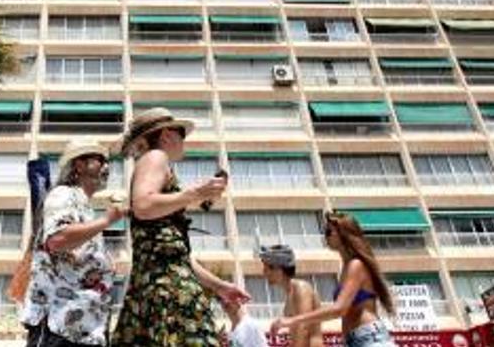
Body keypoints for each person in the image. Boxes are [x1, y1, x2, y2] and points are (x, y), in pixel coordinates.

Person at [110, 108, 250, 347]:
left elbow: (176, 255)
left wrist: (220, 287)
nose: (184, 141)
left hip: (157, 284)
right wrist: (195, 193)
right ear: (166, 136)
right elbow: (143, 204)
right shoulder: (156, 156)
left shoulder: (153, 163)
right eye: (182, 134)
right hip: (168, 286)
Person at [21, 139, 126, 347]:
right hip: (60, 325)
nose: (107, 167)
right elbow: (57, 240)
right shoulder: (63, 194)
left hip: (83, 326)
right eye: (99, 160)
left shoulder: (83, 206)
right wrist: (107, 221)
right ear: (78, 165)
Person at [269, 213, 397, 347]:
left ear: (343, 234)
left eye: (329, 231)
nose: (325, 235)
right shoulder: (346, 267)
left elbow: (339, 309)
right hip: (355, 340)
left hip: (369, 338)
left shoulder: (356, 265)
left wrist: (292, 320)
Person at [256, 244, 323, 347]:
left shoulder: (301, 288)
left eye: (266, 268)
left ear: (278, 268)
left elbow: (303, 328)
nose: (264, 273)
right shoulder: (290, 293)